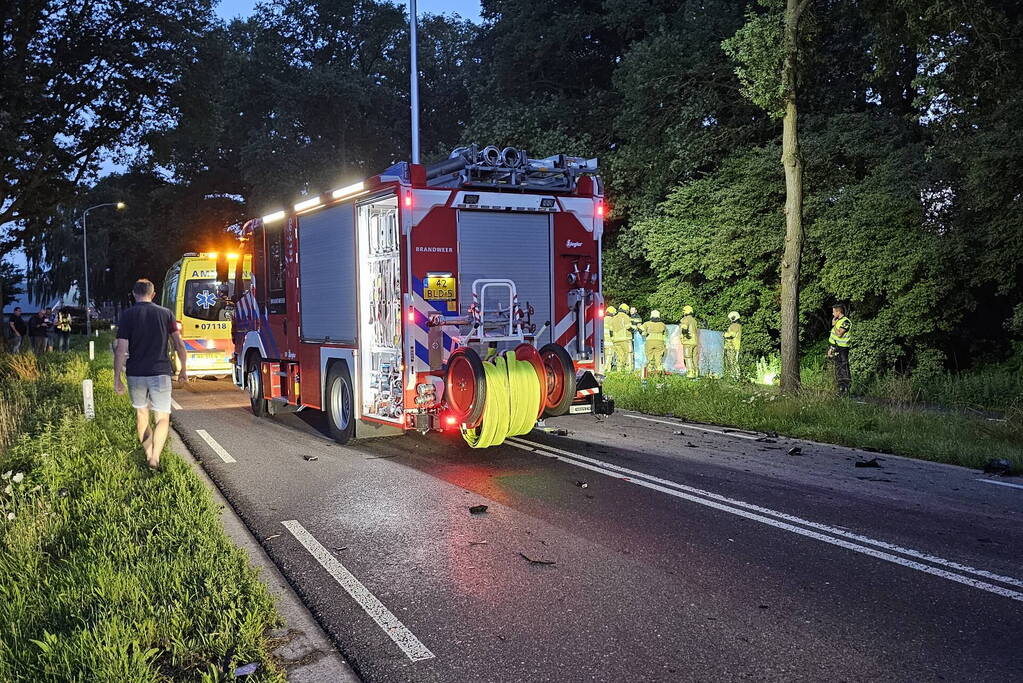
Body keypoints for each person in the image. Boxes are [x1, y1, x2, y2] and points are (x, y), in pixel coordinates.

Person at [114, 279, 187, 470]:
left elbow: (121, 350)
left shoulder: (127, 315)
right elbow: (179, 344)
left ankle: (147, 454)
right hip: (160, 373)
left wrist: (117, 379)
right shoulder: (166, 314)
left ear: (134, 294)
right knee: (163, 418)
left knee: (141, 415)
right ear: (153, 294)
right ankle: (155, 458)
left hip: (136, 373)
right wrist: (183, 370)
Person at [828, 304, 852, 394]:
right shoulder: (837, 321)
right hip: (836, 347)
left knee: (844, 367)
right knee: (838, 368)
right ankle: (840, 388)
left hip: (843, 348)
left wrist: (834, 325)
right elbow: (834, 337)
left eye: (834, 311)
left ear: (839, 312)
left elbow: (839, 334)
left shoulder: (846, 322)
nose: (832, 313)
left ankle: (846, 388)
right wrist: (831, 348)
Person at [641, 310, 667, 374]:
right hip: (660, 342)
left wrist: (645, 333)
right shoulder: (662, 324)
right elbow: (665, 334)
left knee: (650, 357)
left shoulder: (646, 323)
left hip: (649, 342)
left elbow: (641, 330)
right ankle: (659, 372)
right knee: (659, 357)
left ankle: (650, 371)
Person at [611, 303, 635, 371]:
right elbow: (628, 327)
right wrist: (634, 330)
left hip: (616, 340)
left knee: (620, 355)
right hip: (625, 339)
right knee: (628, 354)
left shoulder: (614, 318)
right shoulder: (625, 317)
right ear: (626, 310)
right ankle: (629, 370)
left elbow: (611, 329)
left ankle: (619, 370)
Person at [679, 305, 699, 378]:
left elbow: (684, 327)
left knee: (688, 357)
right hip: (695, 341)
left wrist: (684, 332)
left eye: (684, 311)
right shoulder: (694, 320)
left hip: (688, 341)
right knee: (695, 357)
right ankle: (696, 372)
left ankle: (690, 373)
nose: (683, 313)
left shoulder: (685, 319)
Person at [724, 311, 743, 380]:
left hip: (732, 347)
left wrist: (724, 334)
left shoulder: (734, 326)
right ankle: (736, 376)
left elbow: (732, 335)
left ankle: (735, 376)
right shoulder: (739, 326)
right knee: (734, 361)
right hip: (735, 346)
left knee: (732, 362)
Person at [603, 305, 618, 372]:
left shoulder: (602, 319)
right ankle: (606, 370)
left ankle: (603, 368)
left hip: (602, 342)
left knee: (603, 357)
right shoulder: (612, 320)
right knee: (609, 356)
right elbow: (613, 330)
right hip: (609, 342)